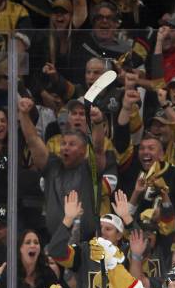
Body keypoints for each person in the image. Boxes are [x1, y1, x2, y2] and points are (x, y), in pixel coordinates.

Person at [18, 97, 117, 241]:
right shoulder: (51, 165)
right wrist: (24, 114)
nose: (65, 147)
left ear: (83, 151)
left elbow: (98, 148)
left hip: (89, 241)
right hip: (56, 240)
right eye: (64, 143)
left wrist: (97, 122)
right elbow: (33, 140)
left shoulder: (90, 168)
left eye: (71, 144)